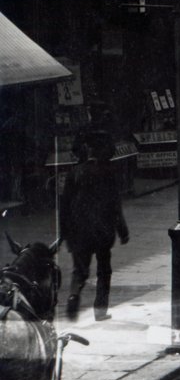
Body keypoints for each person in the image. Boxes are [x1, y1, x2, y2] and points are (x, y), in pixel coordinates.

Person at [61, 132, 129, 322]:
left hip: (78, 231)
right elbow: (115, 205)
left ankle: (74, 294)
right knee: (103, 270)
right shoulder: (109, 172)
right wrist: (122, 231)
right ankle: (100, 310)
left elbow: (64, 205)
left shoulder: (74, 172)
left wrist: (64, 233)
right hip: (102, 231)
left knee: (79, 269)